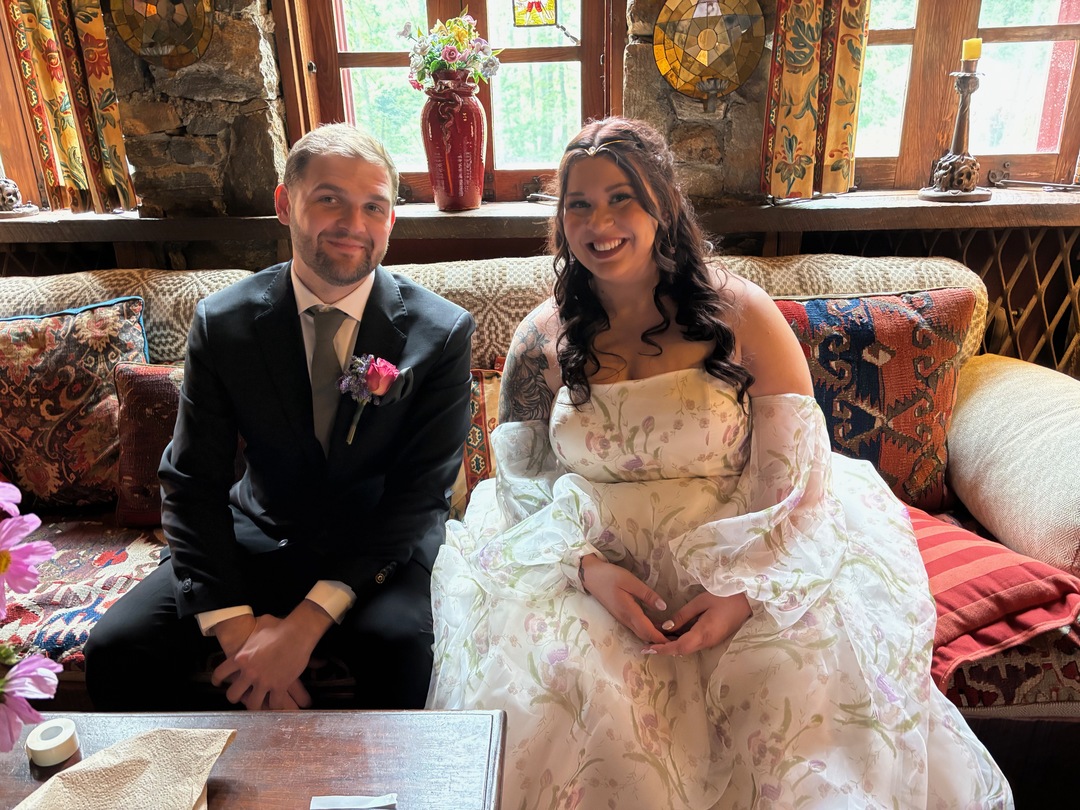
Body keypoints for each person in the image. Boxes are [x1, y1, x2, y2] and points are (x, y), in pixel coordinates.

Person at [426, 117, 1011, 808]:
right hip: (592, 561)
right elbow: (523, 480)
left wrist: (746, 591)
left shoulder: (741, 315)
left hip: (744, 547)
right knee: (559, 678)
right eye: (579, 204)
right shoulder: (540, 338)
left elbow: (793, 471)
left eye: (621, 198)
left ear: (663, 204)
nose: (599, 223)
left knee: (792, 692)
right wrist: (586, 570)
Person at [85, 123, 475, 712]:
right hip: (258, 535)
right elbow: (191, 481)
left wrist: (302, 628)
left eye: (374, 206)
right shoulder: (225, 323)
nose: (353, 223)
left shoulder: (441, 332)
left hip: (376, 548)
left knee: (401, 648)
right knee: (118, 648)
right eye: (329, 199)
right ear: (284, 204)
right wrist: (238, 633)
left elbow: (421, 496)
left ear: (392, 219)